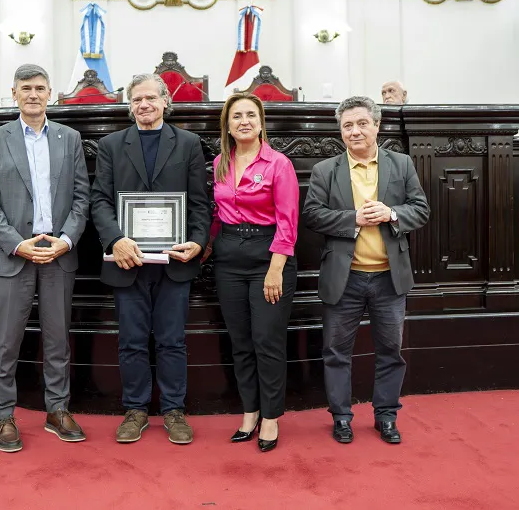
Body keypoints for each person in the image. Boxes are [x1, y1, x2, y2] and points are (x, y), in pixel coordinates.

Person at [91, 73, 211, 445]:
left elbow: (199, 203)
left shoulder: (189, 143)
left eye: (150, 98)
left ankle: (174, 410)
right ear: (129, 105)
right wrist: (116, 240)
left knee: (173, 340)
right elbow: (100, 200)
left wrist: (196, 241)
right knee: (131, 340)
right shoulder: (110, 145)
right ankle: (136, 410)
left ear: (164, 101)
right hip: (128, 261)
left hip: (175, 262)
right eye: (137, 99)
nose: (144, 105)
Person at [302, 95, 429, 445]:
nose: (354, 131)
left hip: (390, 278)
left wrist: (391, 214)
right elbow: (312, 214)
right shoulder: (326, 170)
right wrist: (351, 219)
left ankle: (386, 416)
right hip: (345, 278)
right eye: (347, 126)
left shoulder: (401, 164)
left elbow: (421, 209)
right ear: (340, 131)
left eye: (361, 123)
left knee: (391, 350)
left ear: (377, 125)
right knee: (336, 353)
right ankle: (341, 417)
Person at [0, 64, 91, 454]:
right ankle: (5, 414)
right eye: (25, 88)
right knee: (6, 342)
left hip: (58, 253)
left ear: (50, 94)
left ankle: (57, 410)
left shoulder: (69, 137)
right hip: (12, 255)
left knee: (58, 339)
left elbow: (81, 197)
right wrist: (15, 243)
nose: (33, 94)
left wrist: (67, 240)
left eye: (40, 88)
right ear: (14, 93)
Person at [205, 93, 298, 452]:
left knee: (267, 341)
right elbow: (217, 214)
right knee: (241, 342)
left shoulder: (278, 164)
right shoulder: (219, 163)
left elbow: (288, 222)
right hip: (229, 259)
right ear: (227, 125)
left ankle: (271, 417)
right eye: (236, 116)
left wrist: (275, 270)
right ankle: (250, 410)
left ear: (261, 122)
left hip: (268, 259)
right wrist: (206, 248)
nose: (244, 121)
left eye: (250, 115)